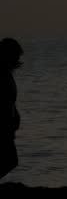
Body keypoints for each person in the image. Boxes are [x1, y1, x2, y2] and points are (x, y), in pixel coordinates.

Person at [1, 38, 22, 180]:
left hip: (7, 126)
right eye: (16, 56)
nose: (18, 60)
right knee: (9, 160)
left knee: (9, 160)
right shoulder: (2, 75)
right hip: (3, 126)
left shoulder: (6, 74)